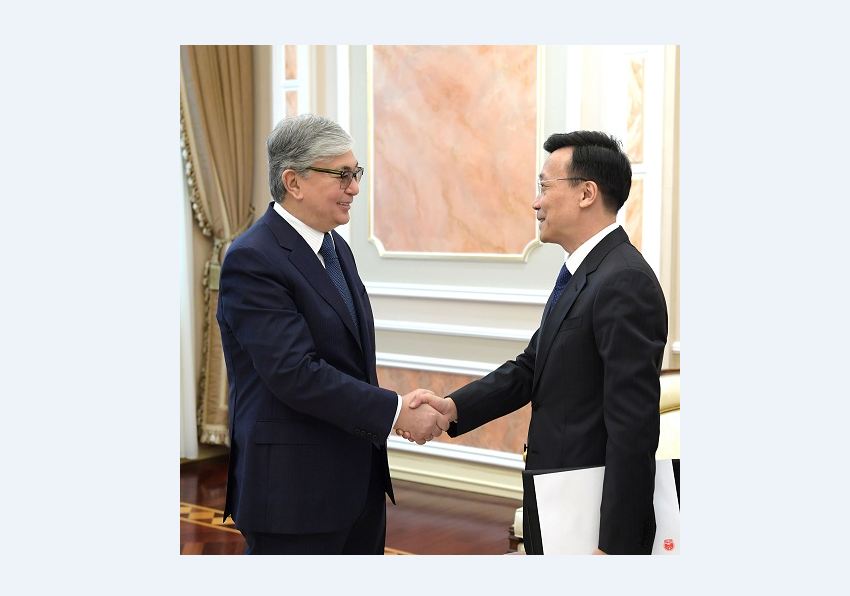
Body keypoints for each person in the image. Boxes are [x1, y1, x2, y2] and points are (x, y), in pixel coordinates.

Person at [403, 131, 668, 555]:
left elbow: (632, 429)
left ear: (586, 193)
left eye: (545, 186)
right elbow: (532, 366)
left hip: (590, 510)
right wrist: (453, 408)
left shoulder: (624, 281)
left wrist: (615, 547)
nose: (536, 202)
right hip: (558, 494)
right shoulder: (587, 273)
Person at [216, 114, 449, 554]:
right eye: (342, 175)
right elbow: (295, 373)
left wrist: (392, 412)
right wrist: (396, 411)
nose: (355, 187)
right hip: (293, 494)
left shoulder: (335, 246)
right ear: (293, 182)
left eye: (356, 173)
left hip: (357, 484)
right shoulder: (253, 258)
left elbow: (347, 360)